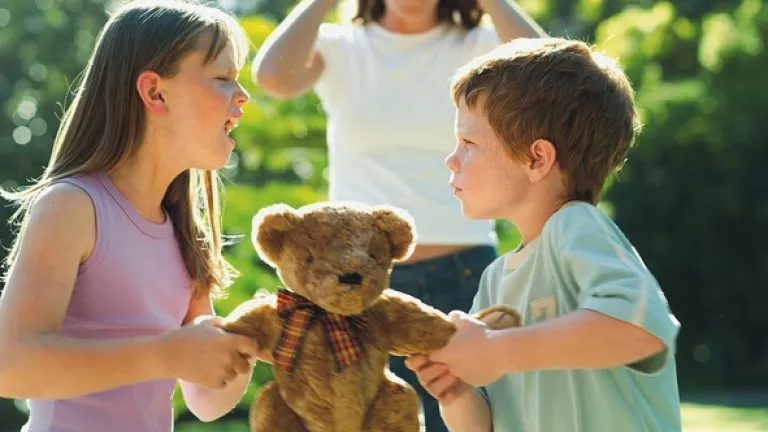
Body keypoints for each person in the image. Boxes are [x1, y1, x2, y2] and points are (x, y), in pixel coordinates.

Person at [250, 0, 545, 429]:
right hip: (355, 285)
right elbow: (273, 77)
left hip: (464, 273)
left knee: (481, 421)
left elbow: (552, 78)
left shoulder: (482, 45)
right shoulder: (340, 45)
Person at [0, 1, 262, 431]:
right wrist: (167, 353)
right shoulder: (73, 206)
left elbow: (208, 401)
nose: (243, 95)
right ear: (155, 92)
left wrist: (248, 335)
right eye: (222, 78)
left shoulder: (183, 231)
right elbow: (11, 366)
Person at [406, 37, 682, 432]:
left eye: (468, 142)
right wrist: (457, 390)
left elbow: (641, 331)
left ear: (537, 158)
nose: (452, 159)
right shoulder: (494, 280)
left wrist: (495, 351)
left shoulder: (576, 226)